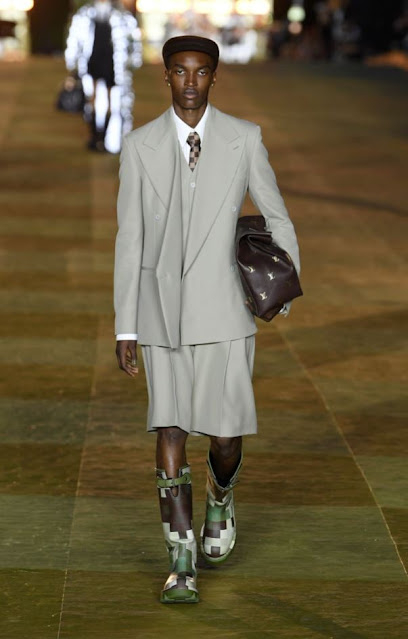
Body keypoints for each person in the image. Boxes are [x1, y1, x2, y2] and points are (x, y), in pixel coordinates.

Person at [114, 35, 300, 604]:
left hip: (224, 311)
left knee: (224, 437)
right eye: (179, 71)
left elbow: (276, 214)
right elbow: (129, 239)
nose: (190, 82)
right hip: (162, 311)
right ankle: (181, 559)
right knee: (169, 429)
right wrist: (126, 325)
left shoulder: (245, 138)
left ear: (214, 77)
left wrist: (283, 285)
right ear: (166, 76)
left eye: (200, 72)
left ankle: (221, 498)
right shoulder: (139, 145)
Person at [65, 0, 142, 153]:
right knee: (92, 99)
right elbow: (75, 37)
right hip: (92, 60)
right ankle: (96, 136)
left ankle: (106, 137)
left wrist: (133, 60)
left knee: (112, 101)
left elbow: (133, 39)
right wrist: (73, 62)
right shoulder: (86, 13)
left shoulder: (121, 14)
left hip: (112, 63)